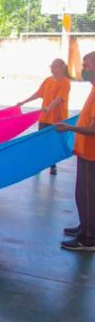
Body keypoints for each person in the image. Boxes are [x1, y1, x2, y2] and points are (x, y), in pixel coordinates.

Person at [56, 51, 95, 251]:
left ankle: (89, 239)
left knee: (88, 195)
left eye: (87, 65)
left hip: (92, 156)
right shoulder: (93, 89)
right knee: (82, 194)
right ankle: (85, 227)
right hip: (85, 152)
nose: (83, 69)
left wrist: (70, 128)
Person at [18, 59, 71, 175]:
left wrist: (49, 107)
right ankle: (38, 165)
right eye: (51, 66)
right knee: (41, 141)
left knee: (53, 143)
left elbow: (60, 98)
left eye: (54, 66)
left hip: (58, 119)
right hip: (44, 118)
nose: (52, 69)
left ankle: (53, 166)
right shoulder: (47, 80)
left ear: (62, 67)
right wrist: (23, 102)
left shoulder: (65, 82)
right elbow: (38, 94)